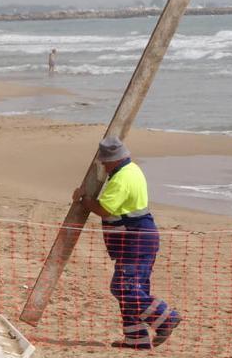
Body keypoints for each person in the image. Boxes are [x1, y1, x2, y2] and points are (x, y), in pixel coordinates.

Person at [72, 137, 181, 350]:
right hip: (140, 237)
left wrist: (83, 199)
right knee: (136, 288)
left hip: (135, 239)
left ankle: (166, 318)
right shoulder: (132, 169)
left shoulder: (121, 179)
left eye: (104, 161)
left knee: (123, 288)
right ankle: (136, 340)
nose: (103, 165)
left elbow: (105, 209)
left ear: (113, 160)